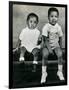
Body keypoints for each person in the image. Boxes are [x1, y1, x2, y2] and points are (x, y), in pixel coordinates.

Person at [41, 7, 65, 84]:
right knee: (45, 54)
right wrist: (49, 49)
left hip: (55, 45)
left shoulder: (58, 27)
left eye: (55, 16)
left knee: (60, 54)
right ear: (48, 17)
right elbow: (44, 39)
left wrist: (60, 47)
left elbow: (61, 37)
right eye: (51, 16)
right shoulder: (46, 27)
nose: (54, 18)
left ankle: (59, 71)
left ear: (57, 17)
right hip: (46, 45)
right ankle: (44, 72)